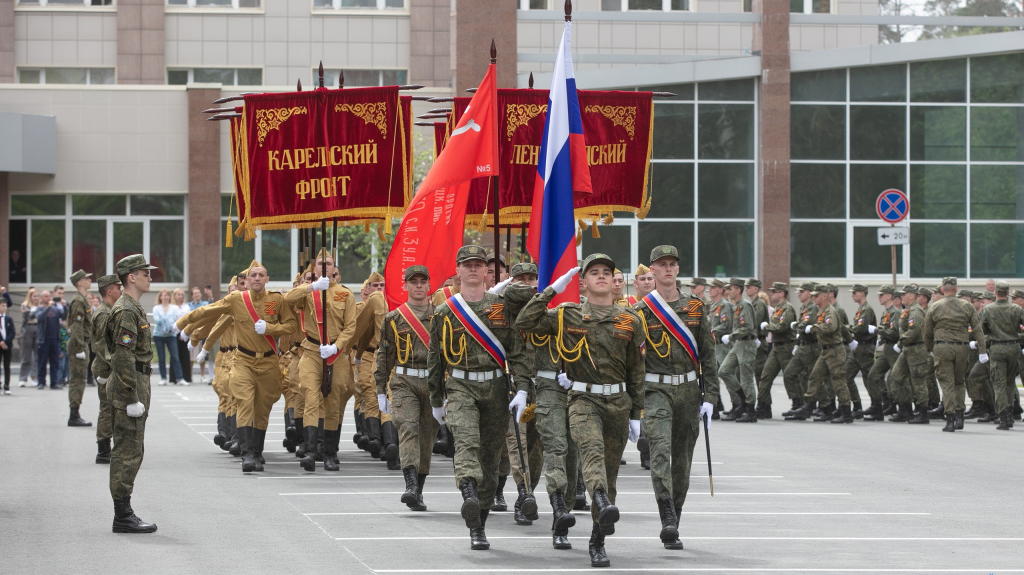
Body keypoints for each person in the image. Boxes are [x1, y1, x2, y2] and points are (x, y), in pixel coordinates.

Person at [516, 253, 644, 568]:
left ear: (615, 282)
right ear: (583, 282)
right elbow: (525, 322)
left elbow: (636, 371)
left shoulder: (630, 320)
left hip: (617, 402)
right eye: (594, 272)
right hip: (582, 400)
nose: (601, 276)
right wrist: (549, 291)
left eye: (607, 272)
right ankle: (595, 498)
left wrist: (637, 413)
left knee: (610, 474)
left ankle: (597, 539)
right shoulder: (567, 315)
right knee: (590, 452)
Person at [427, 245, 534, 551]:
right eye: (467, 265)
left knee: (489, 459)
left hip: (497, 388)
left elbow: (517, 352)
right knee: (467, 442)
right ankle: (468, 493)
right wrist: (437, 400)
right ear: (457, 271)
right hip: (461, 387)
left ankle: (479, 524)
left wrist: (523, 389)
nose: (473, 269)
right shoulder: (445, 311)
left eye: (478, 265)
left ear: (487, 271)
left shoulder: (502, 307)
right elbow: (435, 360)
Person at [632, 245, 718, 551]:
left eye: (672, 264)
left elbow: (708, 356)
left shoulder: (695, 308)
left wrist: (710, 397)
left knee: (682, 460)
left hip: (688, 392)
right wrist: (633, 405)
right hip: (655, 392)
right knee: (660, 452)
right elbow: (633, 361)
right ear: (652, 270)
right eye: (661, 264)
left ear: (678, 269)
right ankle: (666, 514)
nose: (668, 269)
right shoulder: (641, 312)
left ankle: (675, 520)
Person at [186, 261, 296, 472]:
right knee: (244, 403)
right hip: (242, 359)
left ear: (267, 279)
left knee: (262, 409)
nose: (256, 278)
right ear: (245, 281)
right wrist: (187, 328)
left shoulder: (276, 300)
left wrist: (270, 328)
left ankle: (256, 451)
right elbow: (212, 316)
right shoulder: (238, 300)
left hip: (268, 361)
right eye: (252, 275)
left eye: (260, 275)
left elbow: (291, 324)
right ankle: (246, 454)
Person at [284, 251, 358, 472]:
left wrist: (336, 346)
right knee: (310, 395)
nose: (324, 267)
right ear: (314, 268)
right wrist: (311, 287)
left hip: (335, 352)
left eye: (328, 263)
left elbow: (351, 326)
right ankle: (309, 450)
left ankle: (330, 452)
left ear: (335, 268)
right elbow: (287, 300)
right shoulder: (308, 292)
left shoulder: (345, 294)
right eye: (320, 264)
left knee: (333, 400)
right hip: (312, 350)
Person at [375, 265, 440, 510]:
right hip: (404, 381)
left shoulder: (441, 316)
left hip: (433, 383)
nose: (419, 286)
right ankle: (410, 484)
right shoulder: (394, 318)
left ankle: (418, 490)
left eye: (423, 281)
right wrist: (380, 389)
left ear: (429, 285)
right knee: (408, 427)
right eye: (414, 282)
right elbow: (384, 356)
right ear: (406, 286)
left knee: (427, 437)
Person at [106, 255, 158, 533]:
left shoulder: (132, 307)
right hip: (130, 384)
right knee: (127, 450)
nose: (150, 277)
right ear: (131, 278)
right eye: (145, 273)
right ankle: (122, 515)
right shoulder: (127, 310)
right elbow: (123, 357)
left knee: (132, 448)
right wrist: (131, 396)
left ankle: (123, 513)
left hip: (136, 380)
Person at [923, 277, 986, 432]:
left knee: (947, 384)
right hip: (962, 348)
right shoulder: (967, 306)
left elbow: (927, 331)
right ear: (956, 289)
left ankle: (950, 418)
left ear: (943, 290)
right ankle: (960, 416)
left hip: (942, 347)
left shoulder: (935, 307)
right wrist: (983, 351)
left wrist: (930, 348)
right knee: (959, 382)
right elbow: (978, 330)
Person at [792, 284, 854, 423]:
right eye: (812, 295)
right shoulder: (822, 311)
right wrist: (850, 340)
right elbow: (842, 327)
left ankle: (846, 412)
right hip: (826, 350)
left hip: (835, 351)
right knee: (815, 377)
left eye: (816, 295)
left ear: (824, 296)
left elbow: (831, 327)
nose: (813, 298)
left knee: (838, 381)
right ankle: (812, 407)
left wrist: (813, 328)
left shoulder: (829, 311)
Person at [978, 282, 1022, 430]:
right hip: (1014, 346)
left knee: (999, 383)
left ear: (995, 292)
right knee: (1010, 382)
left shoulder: (988, 309)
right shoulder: (1016, 309)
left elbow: (981, 329)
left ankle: (1003, 417)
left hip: (997, 347)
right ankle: (1009, 413)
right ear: (1007, 292)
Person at [91, 275, 122, 463]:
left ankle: (106, 448)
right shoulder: (104, 313)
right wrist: (112, 366)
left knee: (110, 408)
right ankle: (103, 451)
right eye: (118, 288)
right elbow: (103, 345)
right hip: (106, 369)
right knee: (107, 408)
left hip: (106, 367)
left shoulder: (109, 310)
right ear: (109, 291)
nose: (121, 291)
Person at [756, 282, 797, 418]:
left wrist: (767, 327)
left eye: (774, 292)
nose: (771, 294)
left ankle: (798, 405)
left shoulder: (787, 308)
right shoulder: (778, 308)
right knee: (765, 376)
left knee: (790, 376)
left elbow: (782, 327)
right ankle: (764, 406)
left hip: (786, 347)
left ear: (781, 293)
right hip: (776, 346)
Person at [718, 278, 757, 422]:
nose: (728, 291)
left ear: (738, 290)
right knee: (723, 371)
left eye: (730, 289)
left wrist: (731, 336)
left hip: (746, 344)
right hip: (738, 344)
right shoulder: (737, 305)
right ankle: (742, 399)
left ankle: (750, 410)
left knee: (746, 379)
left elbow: (747, 327)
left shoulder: (745, 305)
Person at [864, 285, 901, 420]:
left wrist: (877, 331)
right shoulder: (886, 312)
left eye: (882, 295)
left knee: (896, 378)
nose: (879, 297)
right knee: (873, 375)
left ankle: (901, 406)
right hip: (886, 348)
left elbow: (895, 333)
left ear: (889, 296)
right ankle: (878, 406)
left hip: (894, 348)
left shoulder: (895, 313)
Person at [65, 270, 94, 427]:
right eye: (86, 279)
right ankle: (73, 415)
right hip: (79, 344)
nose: (89, 280)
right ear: (79, 283)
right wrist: (79, 348)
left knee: (80, 379)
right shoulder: (78, 301)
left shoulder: (82, 299)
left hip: (82, 342)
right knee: (78, 380)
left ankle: (75, 413)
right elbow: (76, 326)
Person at [845, 284, 877, 419]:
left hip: (865, 348)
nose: (852, 295)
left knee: (869, 379)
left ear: (862, 293)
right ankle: (857, 405)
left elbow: (861, 328)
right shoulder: (861, 309)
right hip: (858, 348)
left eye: (855, 293)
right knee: (846, 376)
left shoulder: (867, 309)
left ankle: (877, 405)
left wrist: (846, 328)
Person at [151, 289, 184, 385]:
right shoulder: (156, 308)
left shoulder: (174, 308)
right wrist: (169, 320)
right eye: (164, 295)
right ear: (160, 297)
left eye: (167, 295)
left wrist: (165, 319)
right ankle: (163, 378)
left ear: (170, 297)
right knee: (161, 357)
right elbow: (157, 321)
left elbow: (176, 319)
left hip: (171, 335)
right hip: (159, 335)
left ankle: (180, 378)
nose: (165, 297)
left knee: (175, 356)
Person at [35, 290, 65, 389]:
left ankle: (54, 382)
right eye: (46, 296)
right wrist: (48, 307)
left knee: (55, 362)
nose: (48, 298)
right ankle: (41, 382)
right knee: (42, 362)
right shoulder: (39, 309)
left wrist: (64, 306)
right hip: (43, 340)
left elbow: (63, 315)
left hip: (54, 339)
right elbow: (39, 318)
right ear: (41, 298)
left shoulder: (55, 309)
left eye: (49, 296)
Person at [18, 288, 39, 387]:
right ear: (30, 296)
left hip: (38, 328)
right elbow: (28, 316)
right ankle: (23, 378)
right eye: (34, 296)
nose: (36, 298)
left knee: (37, 356)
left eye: (37, 296)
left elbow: (41, 317)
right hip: (27, 330)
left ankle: (34, 376)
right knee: (26, 356)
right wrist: (36, 312)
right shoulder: (24, 305)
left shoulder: (40, 306)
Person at [171, 288, 192, 384]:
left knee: (185, 354)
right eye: (178, 294)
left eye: (181, 295)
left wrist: (185, 332)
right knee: (175, 354)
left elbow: (188, 319)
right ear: (174, 296)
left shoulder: (186, 307)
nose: (180, 296)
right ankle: (174, 377)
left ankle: (186, 376)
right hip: (174, 332)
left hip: (184, 332)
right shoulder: (171, 307)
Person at [0, 299, 14, 394]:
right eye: (2, 306)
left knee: (7, 366)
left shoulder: (9, 319)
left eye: (5, 306)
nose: (4, 307)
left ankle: (6, 385)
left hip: (7, 346)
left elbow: (12, 332)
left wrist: (6, 342)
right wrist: (1, 342)